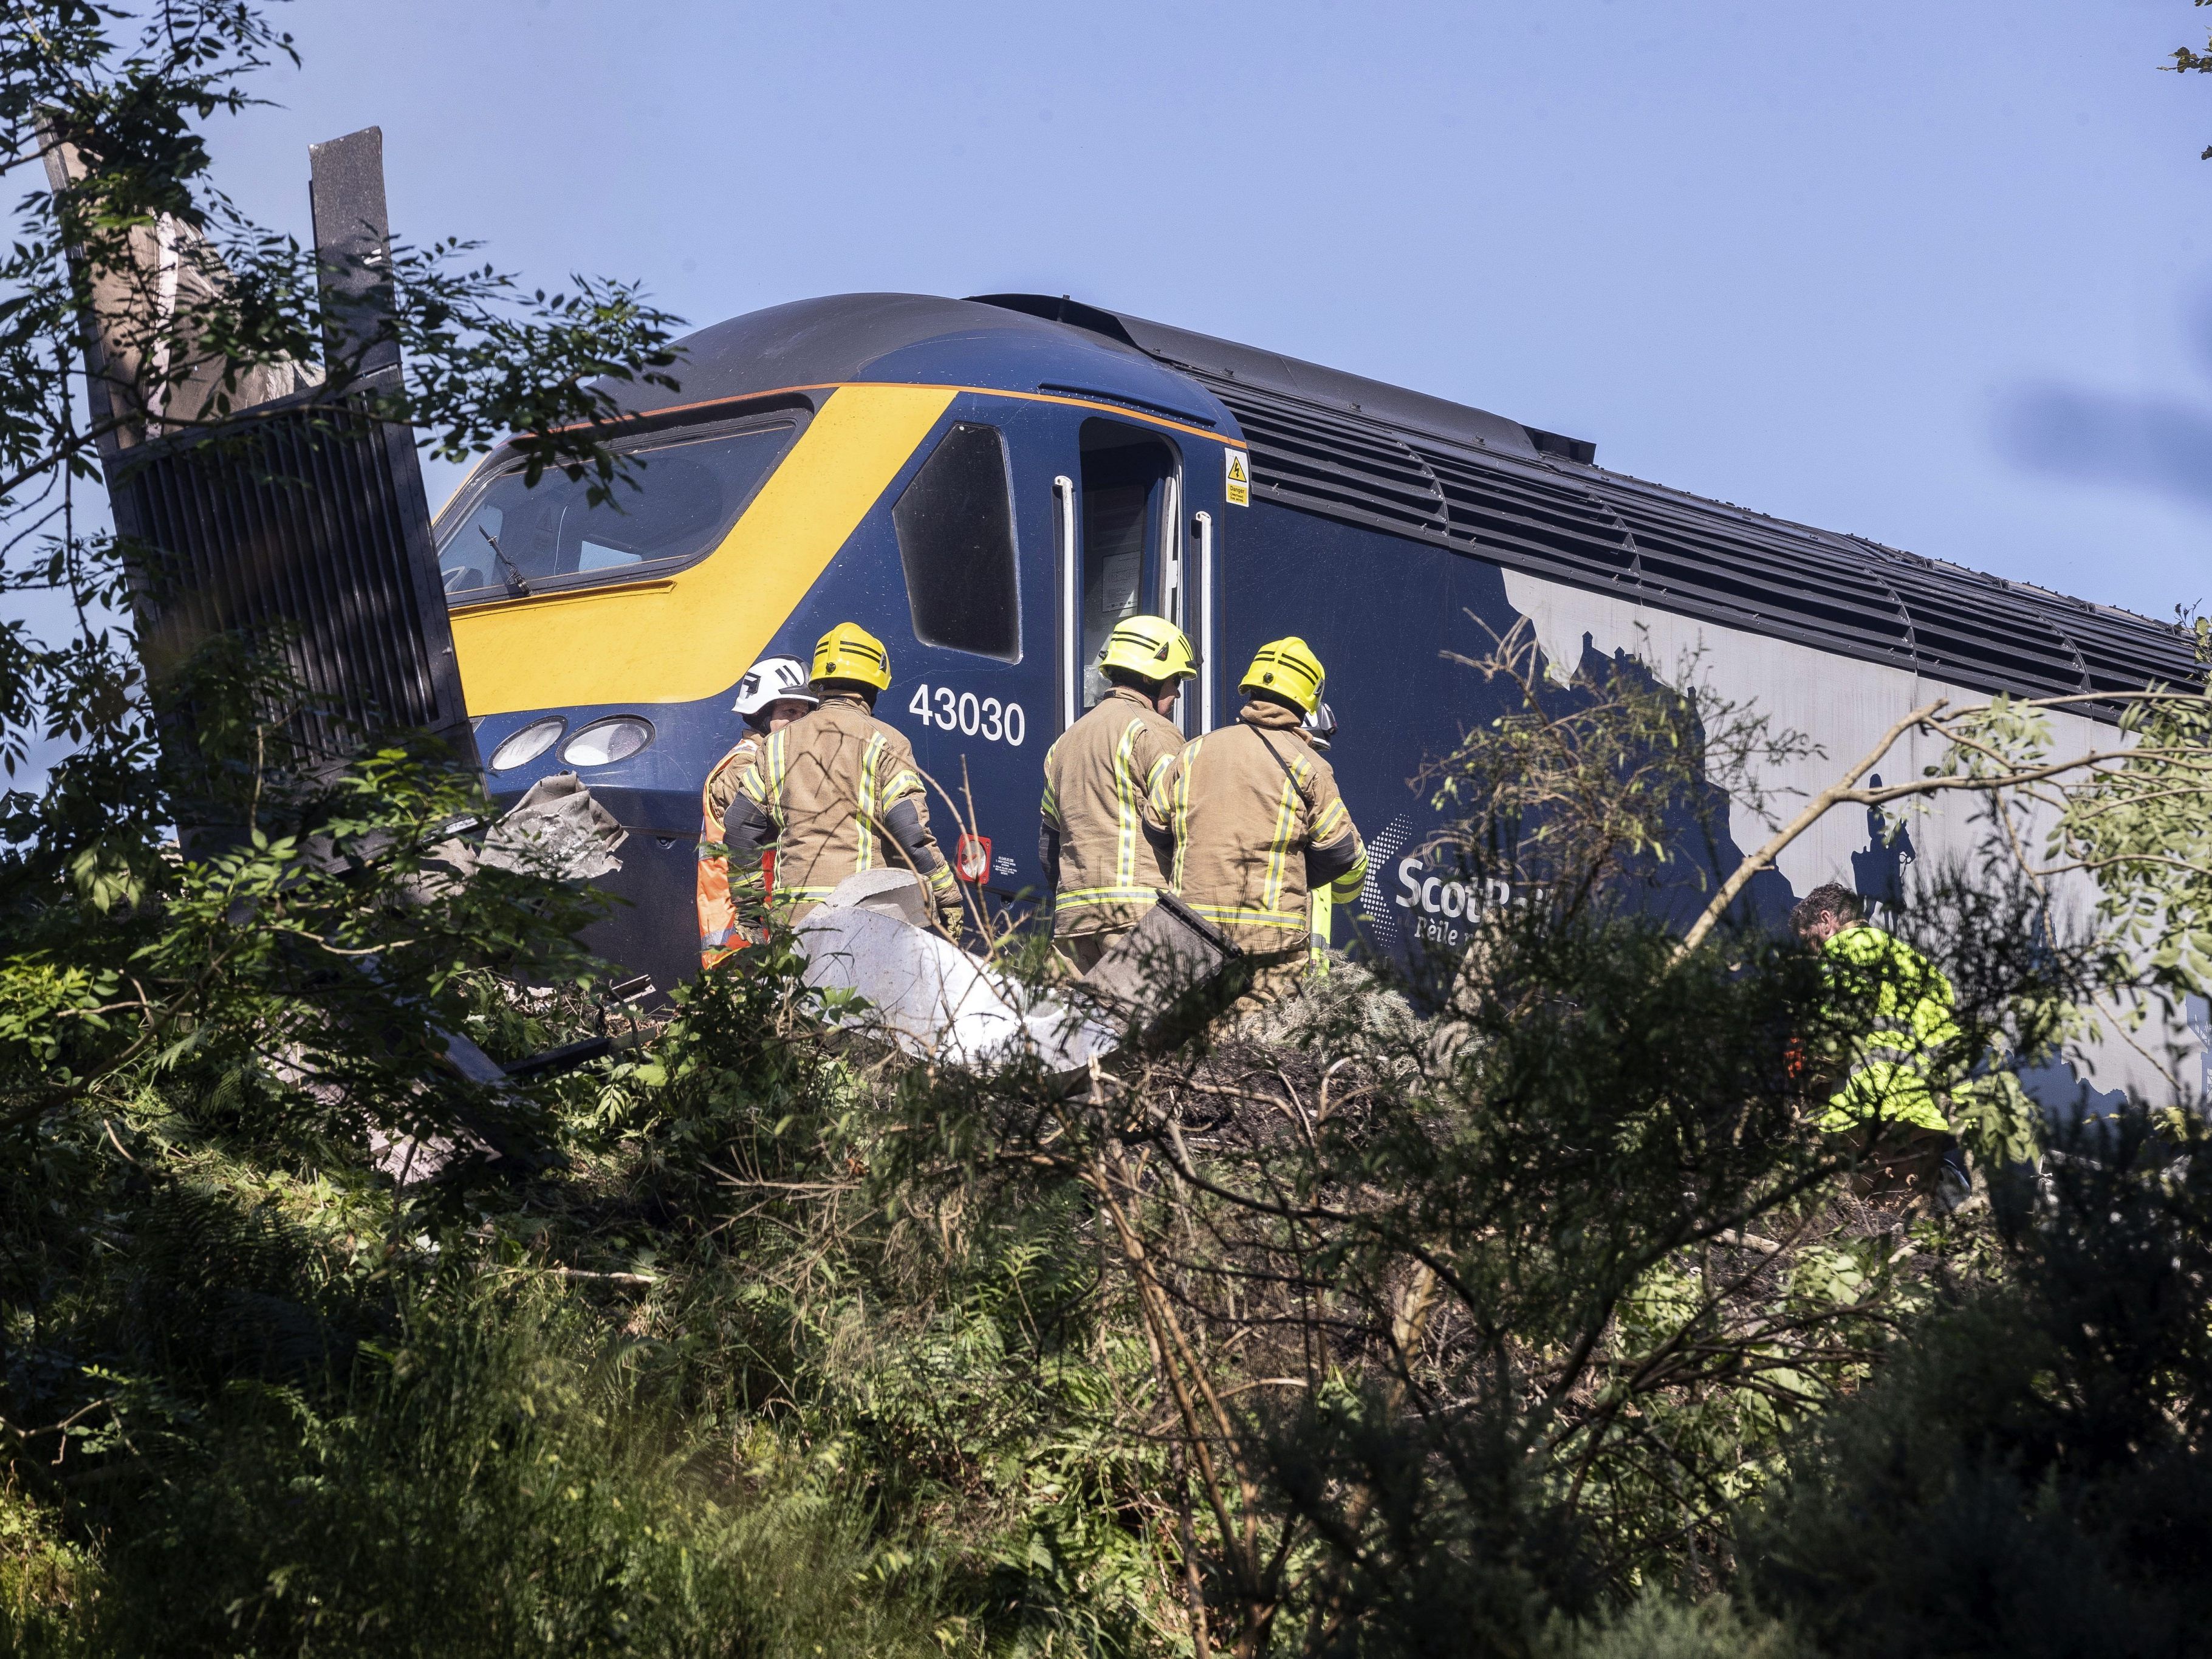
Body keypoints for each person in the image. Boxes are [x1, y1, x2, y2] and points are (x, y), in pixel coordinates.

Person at [1146, 636, 1367, 1005]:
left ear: (1251, 689)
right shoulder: (1309, 765)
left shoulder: (1196, 750)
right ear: (1307, 700)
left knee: (1190, 1049)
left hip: (1191, 936)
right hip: (1271, 950)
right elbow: (1342, 853)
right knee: (1256, 1057)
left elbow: (1155, 827)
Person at [724, 621, 959, 928]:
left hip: (792, 920)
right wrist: (946, 895)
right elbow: (910, 833)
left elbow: (740, 827)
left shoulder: (776, 745)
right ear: (873, 688)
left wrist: (750, 910)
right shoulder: (886, 741)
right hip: (861, 916)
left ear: (820, 684)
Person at [1789, 881, 1968, 1208]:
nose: (1812, 952)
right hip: (1925, 1109)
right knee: (1905, 1202)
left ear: (1827, 921)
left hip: (1873, 1103)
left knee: (1850, 1198)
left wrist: (1809, 1074)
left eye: (1810, 939)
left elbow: (1836, 1034)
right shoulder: (1915, 963)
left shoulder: (1848, 948)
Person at [1038, 615, 1196, 972]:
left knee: (1075, 1025)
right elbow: (1187, 824)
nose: (1177, 693)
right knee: (1142, 1027)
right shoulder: (1153, 732)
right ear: (1149, 678)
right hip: (1136, 922)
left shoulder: (1065, 743)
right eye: (1174, 681)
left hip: (1072, 928)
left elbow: (1049, 848)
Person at [696, 655, 817, 970]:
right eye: (789, 712)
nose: (799, 722)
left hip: (761, 927)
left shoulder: (773, 762)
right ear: (762, 715)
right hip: (739, 935)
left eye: (805, 714)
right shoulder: (745, 766)